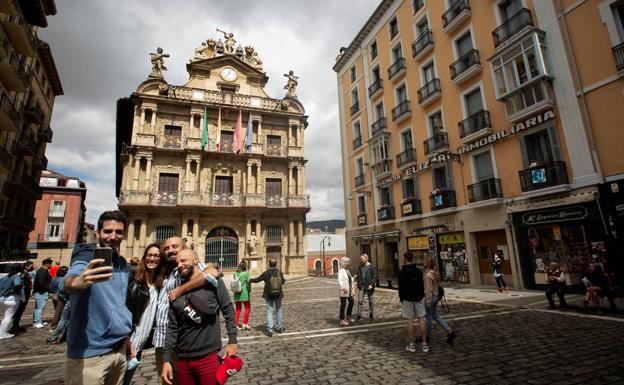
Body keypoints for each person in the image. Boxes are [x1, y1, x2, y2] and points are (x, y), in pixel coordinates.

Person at [62, 210, 133, 385]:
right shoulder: (87, 256)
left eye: (119, 232)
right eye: (108, 231)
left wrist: (126, 337)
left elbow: (118, 303)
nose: (113, 236)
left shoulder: (121, 264)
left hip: (119, 351)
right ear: (98, 233)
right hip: (90, 356)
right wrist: (77, 281)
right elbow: (68, 281)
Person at [161, 249, 238, 385]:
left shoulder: (214, 283)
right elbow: (172, 328)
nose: (179, 264)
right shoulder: (175, 294)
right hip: (183, 360)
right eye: (177, 262)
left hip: (209, 357)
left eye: (183, 260)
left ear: (196, 260)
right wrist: (166, 360)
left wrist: (232, 340)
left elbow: (228, 310)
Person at [153, 236, 220, 385]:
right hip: (162, 341)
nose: (170, 250)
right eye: (166, 248)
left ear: (185, 248)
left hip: (183, 341)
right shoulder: (164, 271)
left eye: (175, 246)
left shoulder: (188, 267)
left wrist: (180, 290)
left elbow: (213, 272)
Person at [123, 243, 167, 385]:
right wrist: (126, 338)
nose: (152, 259)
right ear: (144, 257)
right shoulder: (131, 279)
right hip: (125, 341)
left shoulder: (160, 284)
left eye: (156, 256)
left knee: (126, 381)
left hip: (139, 344)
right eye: (149, 255)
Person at [398, 252, 428, 353]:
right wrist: (421, 296)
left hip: (407, 298)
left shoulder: (402, 272)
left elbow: (400, 288)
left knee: (410, 320)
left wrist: (401, 298)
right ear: (413, 259)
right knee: (421, 319)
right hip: (419, 297)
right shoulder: (418, 271)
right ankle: (424, 344)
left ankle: (412, 345)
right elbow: (421, 286)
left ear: (405, 259)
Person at [250, 258, 285, 337]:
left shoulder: (266, 273)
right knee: (279, 309)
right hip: (278, 294)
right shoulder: (280, 272)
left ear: (269, 264)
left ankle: (270, 329)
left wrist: (250, 280)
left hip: (269, 295)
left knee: (269, 310)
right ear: (276, 264)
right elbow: (283, 281)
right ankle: (279, 327)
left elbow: (257, 280)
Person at [424, 258, 456, 345]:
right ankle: (449, 332)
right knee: (436, 316)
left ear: (428, 264)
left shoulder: (428, 275)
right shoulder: (436, 273)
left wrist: (428, 301)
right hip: (436, 296)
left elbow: (428, 289)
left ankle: (427, 336)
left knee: (428, 318)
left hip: (431, 297)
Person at [0, 264, 25, 339]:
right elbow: (17, 286)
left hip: (3, 298)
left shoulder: (5, 277)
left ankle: (2, 331)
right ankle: (2, 333)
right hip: (12, 299)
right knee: (8, 317)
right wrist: (12, 291)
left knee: (5, 316)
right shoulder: (16, 276)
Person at [10, 261, 33, 333]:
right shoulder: (22, 274)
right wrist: (22, 296)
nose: (32, 267)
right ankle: (13, 326)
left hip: (26, 294)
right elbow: (21, 286)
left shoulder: (26, 274)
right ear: (26, 266)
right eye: (31, 266)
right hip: (23, 295)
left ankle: (15, 325)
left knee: (20, 311)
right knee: (18, 311)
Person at [355, 253, 378, 321]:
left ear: (366, 258)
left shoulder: (372, 266)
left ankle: (371, 315)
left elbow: (375, 276)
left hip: (369, 286)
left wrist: (371, 284)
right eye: (360, 259)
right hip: (361, 286)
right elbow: (358, 275)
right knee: (360, 300)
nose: (360, 260)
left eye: (361, 258)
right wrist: (357, 282)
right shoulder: (360, 266)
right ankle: (358, 315)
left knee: (370, 300)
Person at [32, 258, 53, 328]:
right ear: (48, 264)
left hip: (41, 292)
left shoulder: (43, 271)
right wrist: (50, 290)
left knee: (38, 307)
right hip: (41, 292)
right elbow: (41, 284)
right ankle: (37, 322)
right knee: (40, 308)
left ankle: (37, 320)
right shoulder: (42, 272)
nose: (51, 265)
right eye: (50, 264)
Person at [233, 261, 251, 330]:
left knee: (238, 309)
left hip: (237, 293)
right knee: (247, 307)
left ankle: (236, 324)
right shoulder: (246, 274)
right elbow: (248, 283)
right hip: (244, 293)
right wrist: (249, 290)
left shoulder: (234, 273)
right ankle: (245, 323)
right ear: (245, 267)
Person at [338, 257, 354, 327]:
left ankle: (348, 317)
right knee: (343, 304)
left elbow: (349, 278)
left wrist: (353, 278)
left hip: (348, 289)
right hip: (344, 290)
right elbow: (340, 280)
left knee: (351, 302)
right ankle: (342, 320)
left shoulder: (346, 270)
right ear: (344, 263)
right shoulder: (341, 270)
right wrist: (343, 288)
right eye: (346, 263)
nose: (347, 264)